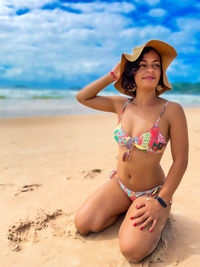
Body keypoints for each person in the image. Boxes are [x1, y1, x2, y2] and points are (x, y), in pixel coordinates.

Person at [74, 40, 188, 263]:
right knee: (84, 224)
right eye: (143, 65)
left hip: (152, 192)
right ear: (132, 72)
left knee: (132, 251)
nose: (150, 69)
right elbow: (83, 97)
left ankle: (159, 216)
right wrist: (112, 75)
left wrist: (161, 201)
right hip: (120, 185)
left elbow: (181, 160)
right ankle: (127, 207)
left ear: (161, 73)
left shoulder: (172, 110)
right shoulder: (122, 105)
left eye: (156, 65)